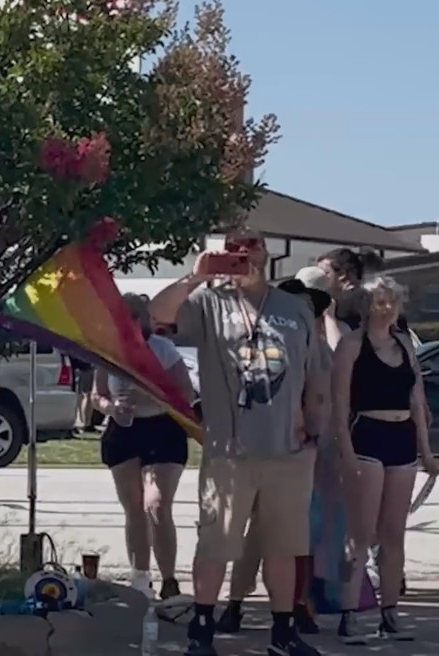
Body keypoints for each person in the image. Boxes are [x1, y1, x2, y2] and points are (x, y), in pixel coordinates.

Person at [149, 229, 328, 656]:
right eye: (235, 248)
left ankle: (283, 633)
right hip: (231, 453)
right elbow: (157, 314)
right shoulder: (209, 302)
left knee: (284, 548)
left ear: (266, 254)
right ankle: (203, 631)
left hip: (288, 451)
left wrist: (315, 430)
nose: (244, 254)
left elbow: (315, 372)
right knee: (216, 546)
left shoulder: (294, 306)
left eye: (253, 246)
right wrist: (194, 277)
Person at [218, 266, 337, 636]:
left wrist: (316, 442)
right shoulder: (264, 343)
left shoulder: (315, 345)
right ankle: (236, 603)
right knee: (254, 534)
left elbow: (323, 398)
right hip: (260, 447)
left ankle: (295, 606)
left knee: (295, 535)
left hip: (299, 452)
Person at [330, 275, 439, 644]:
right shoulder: (351, 345)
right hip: (366, 437)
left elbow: (417, 401)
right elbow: (340, 406)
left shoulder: (405, 343)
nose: (387, 308)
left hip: (402, 438)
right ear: (365, 305)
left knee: (394, 534)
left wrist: (426, 451)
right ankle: (349, 613)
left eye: (392, 301)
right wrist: (345, 454)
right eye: (379, 301)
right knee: (360, 534)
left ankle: (389, 612)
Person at [91, 294, 195, 600]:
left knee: (157, 505)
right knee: (134, 507)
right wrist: (111, 408)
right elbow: (96, 394)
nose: (135, 323)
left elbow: (186, 394)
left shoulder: (163, 349)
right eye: (128, 317)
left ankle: (169, 578)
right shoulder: (107, 349)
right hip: (123, 430)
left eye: (139, 316)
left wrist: (151, 397)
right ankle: (140, 578)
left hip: (162, 427)